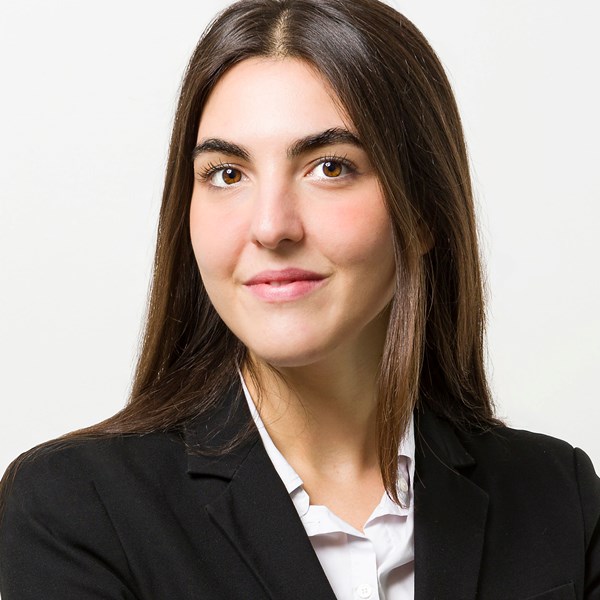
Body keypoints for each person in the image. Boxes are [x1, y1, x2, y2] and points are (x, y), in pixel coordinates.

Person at [0, 0, 598, 598]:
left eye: (330, 167)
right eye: (227, 173)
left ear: (422, 210)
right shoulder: (74, 509)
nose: (270, 226)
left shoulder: (560, 496)